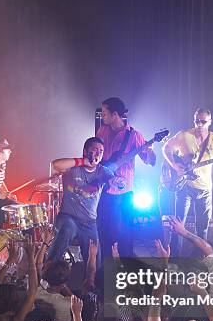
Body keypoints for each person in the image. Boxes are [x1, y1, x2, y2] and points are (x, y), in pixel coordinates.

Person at [162, 108, 213, 255]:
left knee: (203, 229)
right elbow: (166, 148)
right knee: (178, 226)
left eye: (203, 122)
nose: (199, 124)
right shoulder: (184, 135)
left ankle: (200, 264)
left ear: (210, 122)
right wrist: (175, 165)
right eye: (197, 121)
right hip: (184, 187)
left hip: (205, 189)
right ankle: (174, 262)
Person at [96, 96, 156, 258]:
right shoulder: (102, 131)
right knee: (104, 230)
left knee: (124, 233)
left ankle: (126, 269)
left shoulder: (134, 136)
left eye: (104, 113)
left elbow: (150, 161)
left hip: (123, 192)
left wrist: (149, 149)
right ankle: (105, 267)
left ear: (115, 114)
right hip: (104, 188)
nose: (102, 116)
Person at [48, 137, 114, 265]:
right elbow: (55, 164)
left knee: (95, 261)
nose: (99, 153)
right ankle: (47, 272)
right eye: (95, 150)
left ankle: (91, 283)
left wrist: (117, 182)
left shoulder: (102, 171)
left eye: (101, 151)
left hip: (89, 222)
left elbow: (113, 181)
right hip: (68, 216)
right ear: (85, 151)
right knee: (66, 230)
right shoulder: (74, 168)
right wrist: (82, 161)